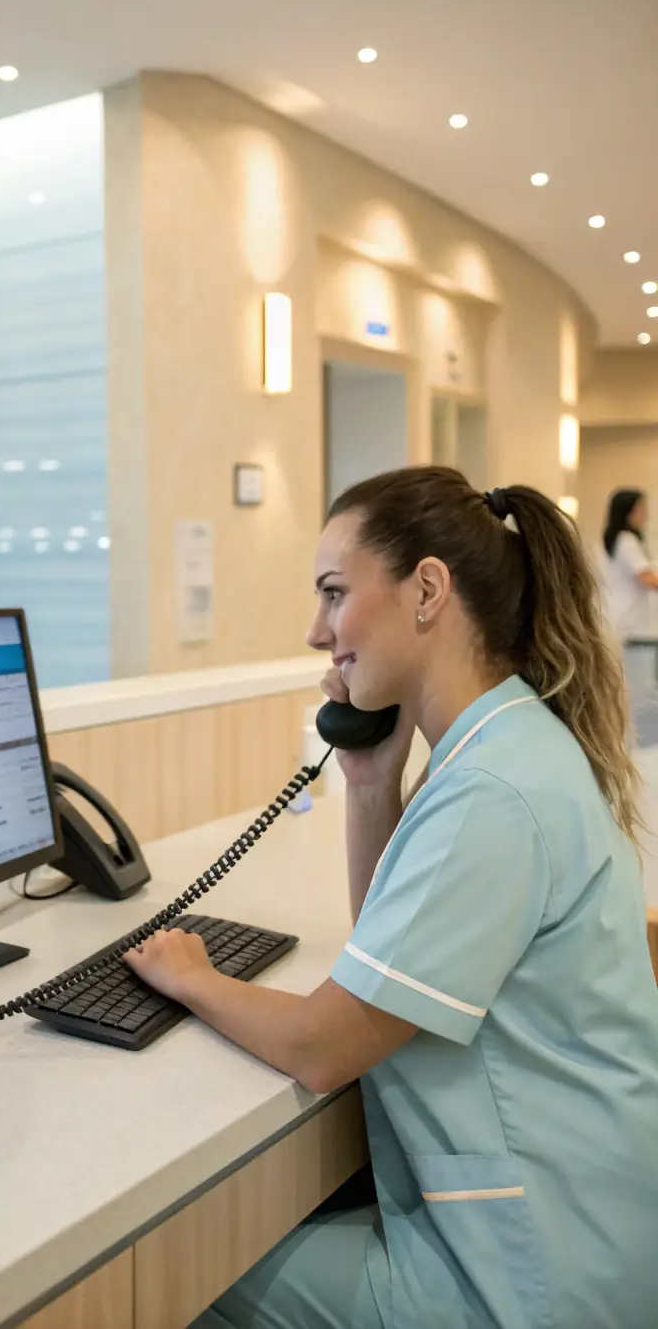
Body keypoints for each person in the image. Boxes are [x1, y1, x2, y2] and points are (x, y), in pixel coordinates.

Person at [126, 466, 658, 1329]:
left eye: (334, 594)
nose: (315, 631)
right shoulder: (508, 744)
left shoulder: (491, 793)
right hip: (583, 1227)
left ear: (428, 591)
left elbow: (325, 1045)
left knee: (182, 1275)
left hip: (532, 1275)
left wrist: (190, 973)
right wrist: (372, 782)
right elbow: (392, 957)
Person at [599, 487, 658, 642]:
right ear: (628, 511)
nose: (645, 514)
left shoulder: (623, 540)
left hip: (627, 620)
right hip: (629, 622)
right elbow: (647, 578)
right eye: (641, 508)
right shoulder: (626, 541)